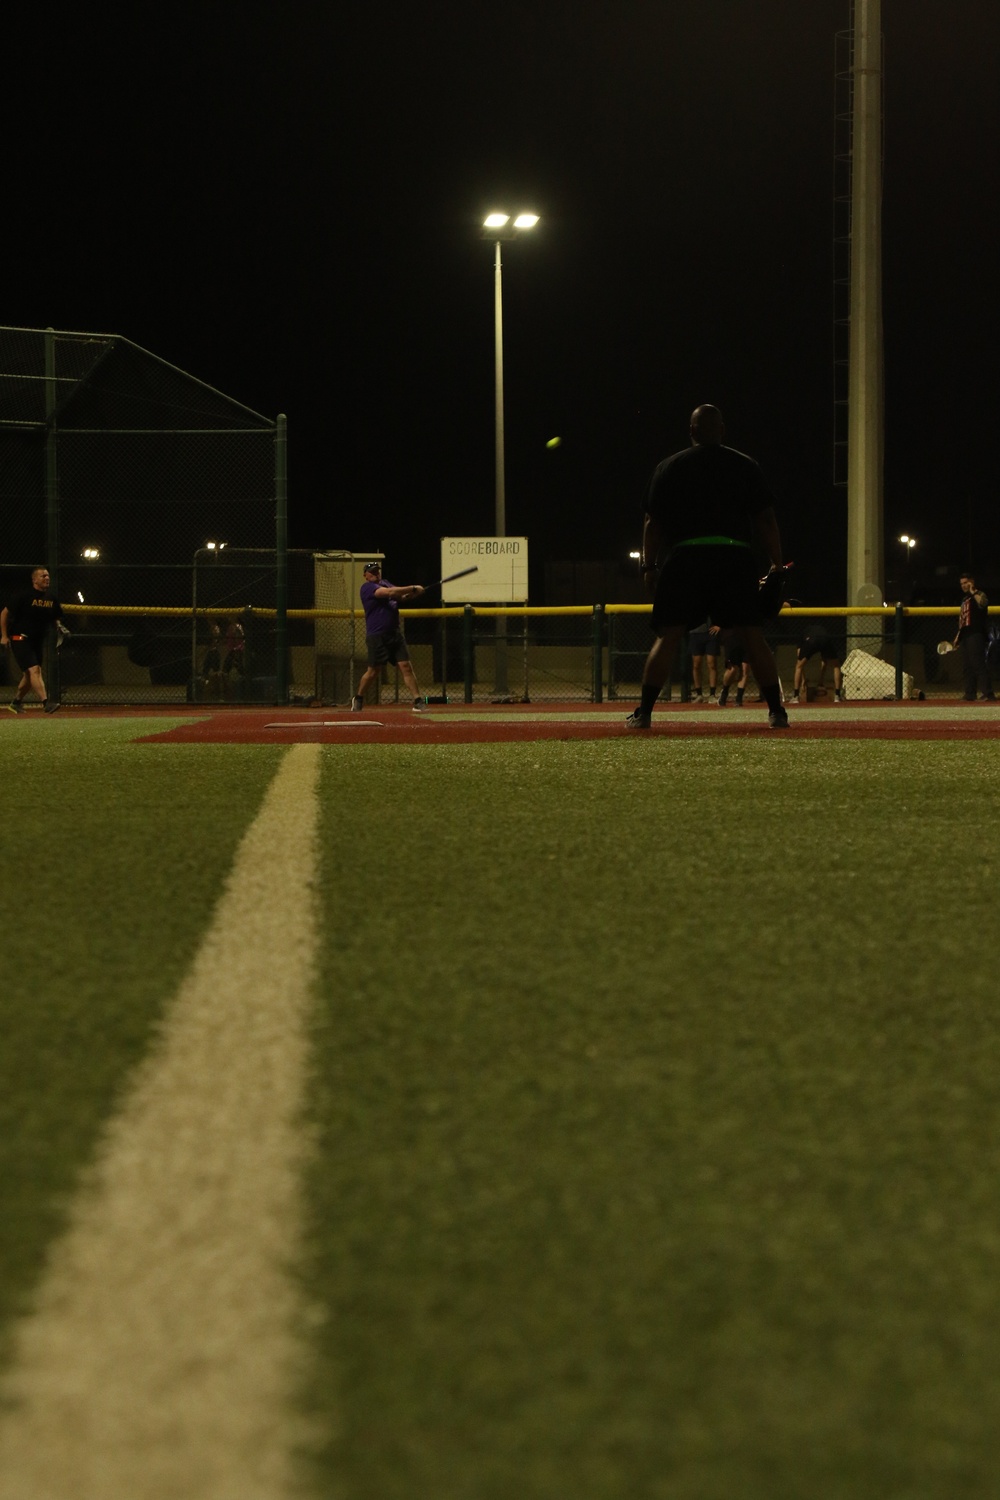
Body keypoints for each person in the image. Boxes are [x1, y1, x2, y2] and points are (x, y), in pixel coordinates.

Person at [626, 404, 788, 730]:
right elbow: (766, 519)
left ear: (692, 432)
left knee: (669, 636)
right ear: (723, 431)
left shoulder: (670, 466)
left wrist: (649, 566)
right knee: (752, 636)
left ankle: (644, 713)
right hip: (735, 557)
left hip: (687, 557)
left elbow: (651, 522)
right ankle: (777, 713)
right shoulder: (745, 465)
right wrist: (777, 564)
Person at [352, 561, 427, 711]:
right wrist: (413, 587)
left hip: (394, 634)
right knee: (373, 671)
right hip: (377, 636)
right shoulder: (367, 588)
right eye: (371, 572)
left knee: (406, 666)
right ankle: (359, 697)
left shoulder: (385, 583)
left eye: (377, 571)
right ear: (365, 576)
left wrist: (414, 594)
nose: (375, 574)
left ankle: (418, 701)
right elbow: (389, 593)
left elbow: (401, 596)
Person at [2, 565, 69, 714]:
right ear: (34, 580)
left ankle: (16, 702)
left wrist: (58, 625)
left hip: (36, 641)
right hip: (19, 638)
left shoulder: (51, 598)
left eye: (48, 576)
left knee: (29, 674)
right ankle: (46, 703)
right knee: (35, 670)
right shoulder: (24, 595)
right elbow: (4, 613)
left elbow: (55, 616)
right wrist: (4, 636)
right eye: (43, 576)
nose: (47, 578)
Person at [953, 571, 995, 701]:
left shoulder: (979, 594)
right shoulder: (965, 600)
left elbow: (983, 604)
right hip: (965, 635)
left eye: (966, 582)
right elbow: (963, 619)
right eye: (962, 584)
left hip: (976, 634)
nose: (964, 585)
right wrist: (957, 637)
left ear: (972, 582)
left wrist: (973, 591)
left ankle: (988, 694)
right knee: (967, 666)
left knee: (978, 664)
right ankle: (970, 694)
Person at [793, 626, 844, 703]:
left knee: (798, 666)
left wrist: (804, 681)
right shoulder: (818, 631)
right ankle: (837, 696)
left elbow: (799, 661)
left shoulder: (802, 635)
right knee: (836, 666)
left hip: (812, 640)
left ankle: (796, 697)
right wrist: (820, 680)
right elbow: (824, 661)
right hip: (825, 639)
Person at [687, 620, 720, 702]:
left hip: (710, 632)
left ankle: (712, 695)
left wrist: (719, 625)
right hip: (695, 634)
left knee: (711, 663)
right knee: (696, 664)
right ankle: (699, 695)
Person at [716, 631, 750, 707]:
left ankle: (739, 699)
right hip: (732, 637)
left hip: (747, 637)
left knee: (745, 669)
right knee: (732, 668)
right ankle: (724, 693)